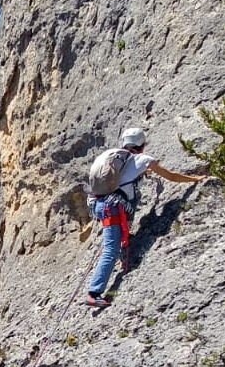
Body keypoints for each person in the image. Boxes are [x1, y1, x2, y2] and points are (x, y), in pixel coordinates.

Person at [86, 127, 208, 308]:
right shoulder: (143, 159)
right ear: (142, 145)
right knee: (110, 249)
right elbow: (171, 176)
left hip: (98, 204)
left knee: (114, 241)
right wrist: (195, 179)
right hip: (114, 207)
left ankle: (122, 253)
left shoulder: (113, 157)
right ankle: (94, 292)